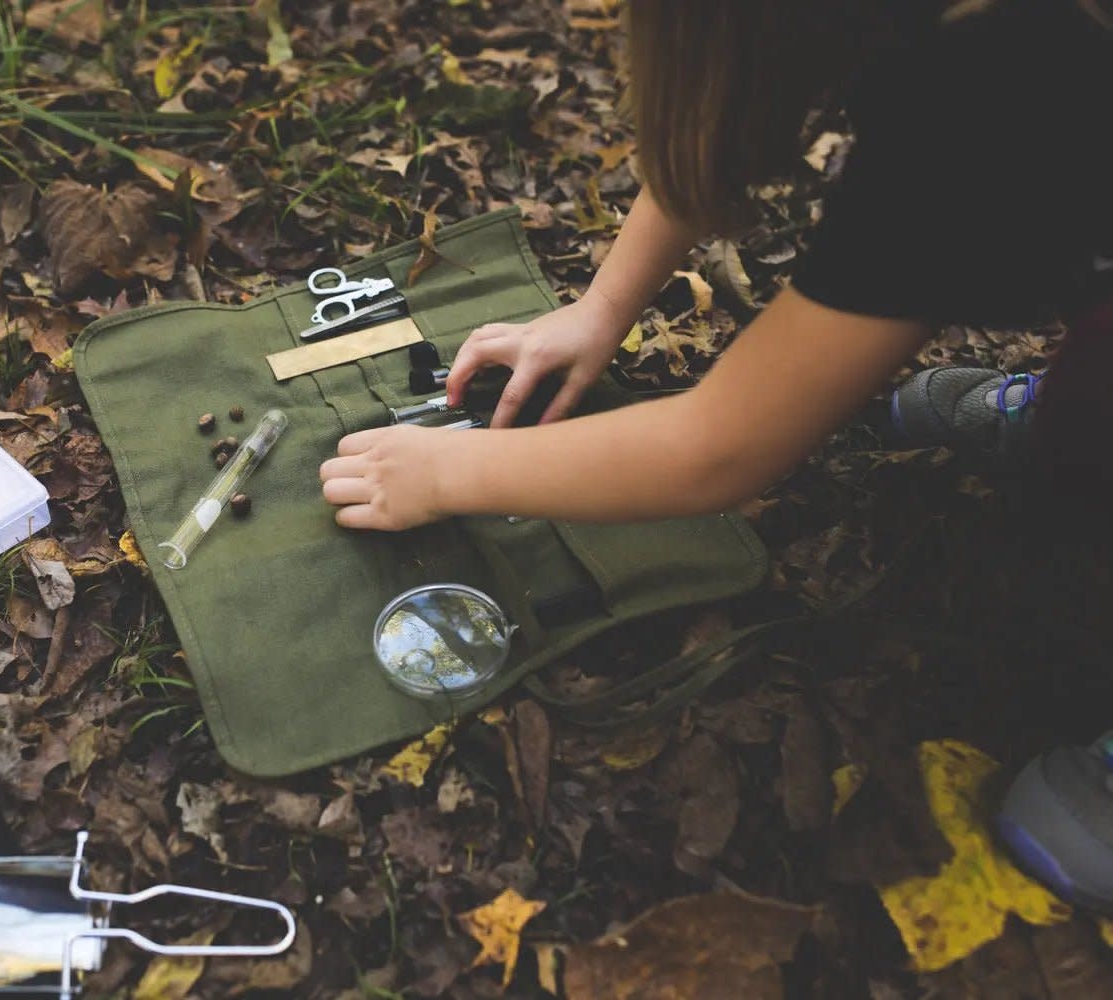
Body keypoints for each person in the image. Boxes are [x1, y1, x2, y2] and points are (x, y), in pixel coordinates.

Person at [320, 0, 1113, 907]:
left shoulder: (986, 100)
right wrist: (601, 308)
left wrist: (445, 470)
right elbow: (728, 104)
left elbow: (719, 448)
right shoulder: (936, 48)